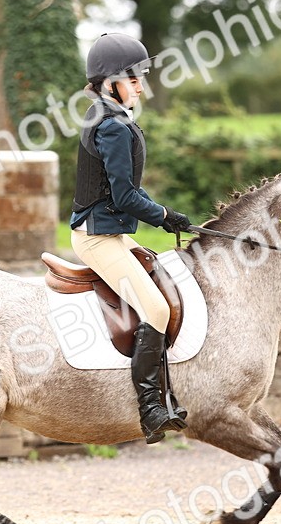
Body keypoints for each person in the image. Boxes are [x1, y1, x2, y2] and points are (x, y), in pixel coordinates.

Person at [69, 32, 192, 444]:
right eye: (133, 77)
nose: (141, 84)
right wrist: (164, 215)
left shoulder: (110, 117)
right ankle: (151, 409)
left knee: (164, 276)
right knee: (156, 310)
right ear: (109, 83)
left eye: (141, 76)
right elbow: (124, 195)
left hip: (111, 233)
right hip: (97, 239)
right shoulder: (111, 126)